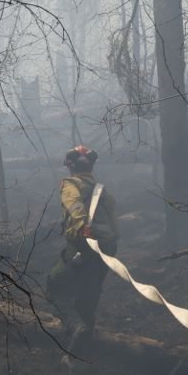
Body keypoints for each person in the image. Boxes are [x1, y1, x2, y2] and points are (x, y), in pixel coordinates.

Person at [46, 145, 119, 352]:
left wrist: (82, 228)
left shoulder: (70, 184)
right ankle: (84, 349)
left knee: (55, 286)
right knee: (89, 296)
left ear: (70, 167)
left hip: (83, 246)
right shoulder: (102, 190)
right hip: (107, 249)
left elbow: (75, 205)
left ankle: (75, 326)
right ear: (91, 167)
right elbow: (114, 222)